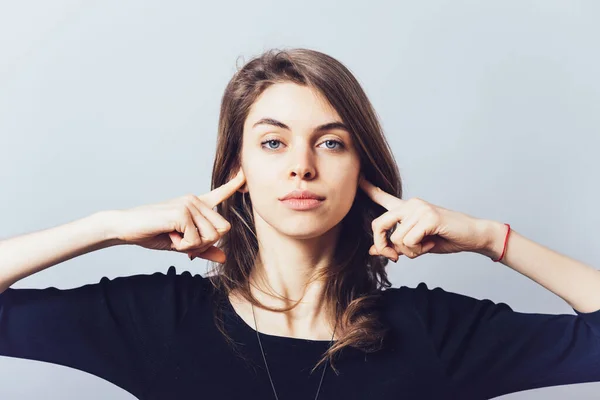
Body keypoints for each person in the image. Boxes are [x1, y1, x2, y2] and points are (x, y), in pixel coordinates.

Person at [1, 48, 599, 400]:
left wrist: (493, 239)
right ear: (238, 166)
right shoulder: (154, 318)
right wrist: (106, 226)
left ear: (362, 165)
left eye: (331, 143)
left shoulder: (433, 331)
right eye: (273, 142)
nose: (302, 167)